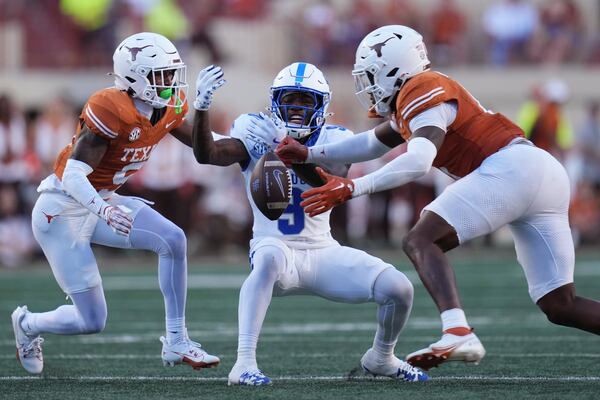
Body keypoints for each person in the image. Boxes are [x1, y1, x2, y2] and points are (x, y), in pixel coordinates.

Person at [276, 25, 600, 371]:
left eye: (370, 74)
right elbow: (371, 143)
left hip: (513, 168)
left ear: (391, 68)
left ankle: (457, 330)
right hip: (540, 173)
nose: (367, 85)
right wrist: (309, 154)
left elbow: (418, 161)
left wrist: (354, 187)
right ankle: (457, 331)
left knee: (421, 239)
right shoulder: (414, 97)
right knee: (560, 304)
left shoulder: (421, 88)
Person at [190, 62, 427, 385]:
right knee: (269, 259)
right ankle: (244, 363)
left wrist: (287, 147)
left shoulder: (336, 137)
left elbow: (327, 183)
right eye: (290, 99)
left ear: (321, 106)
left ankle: (381, 358)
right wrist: (201, 108)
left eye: (305, 101)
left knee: (399, 288)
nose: (297, 107)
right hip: (275, 247)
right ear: (275, 100)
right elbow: (210, 154)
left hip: (323, 250)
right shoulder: (254, 128)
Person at [11, 32, 221, 374]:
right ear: (135, 76)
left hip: (103, 200)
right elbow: (74, 176)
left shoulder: (168, 106)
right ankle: (28, 323)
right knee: (92, 321)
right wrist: (104, 209)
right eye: (161, 75)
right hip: (62, 209)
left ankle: (176, 340)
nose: (169, 82)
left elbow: (205, 146)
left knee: (173, 240)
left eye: (171, 73)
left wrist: (251, 143)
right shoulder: (110, 107)